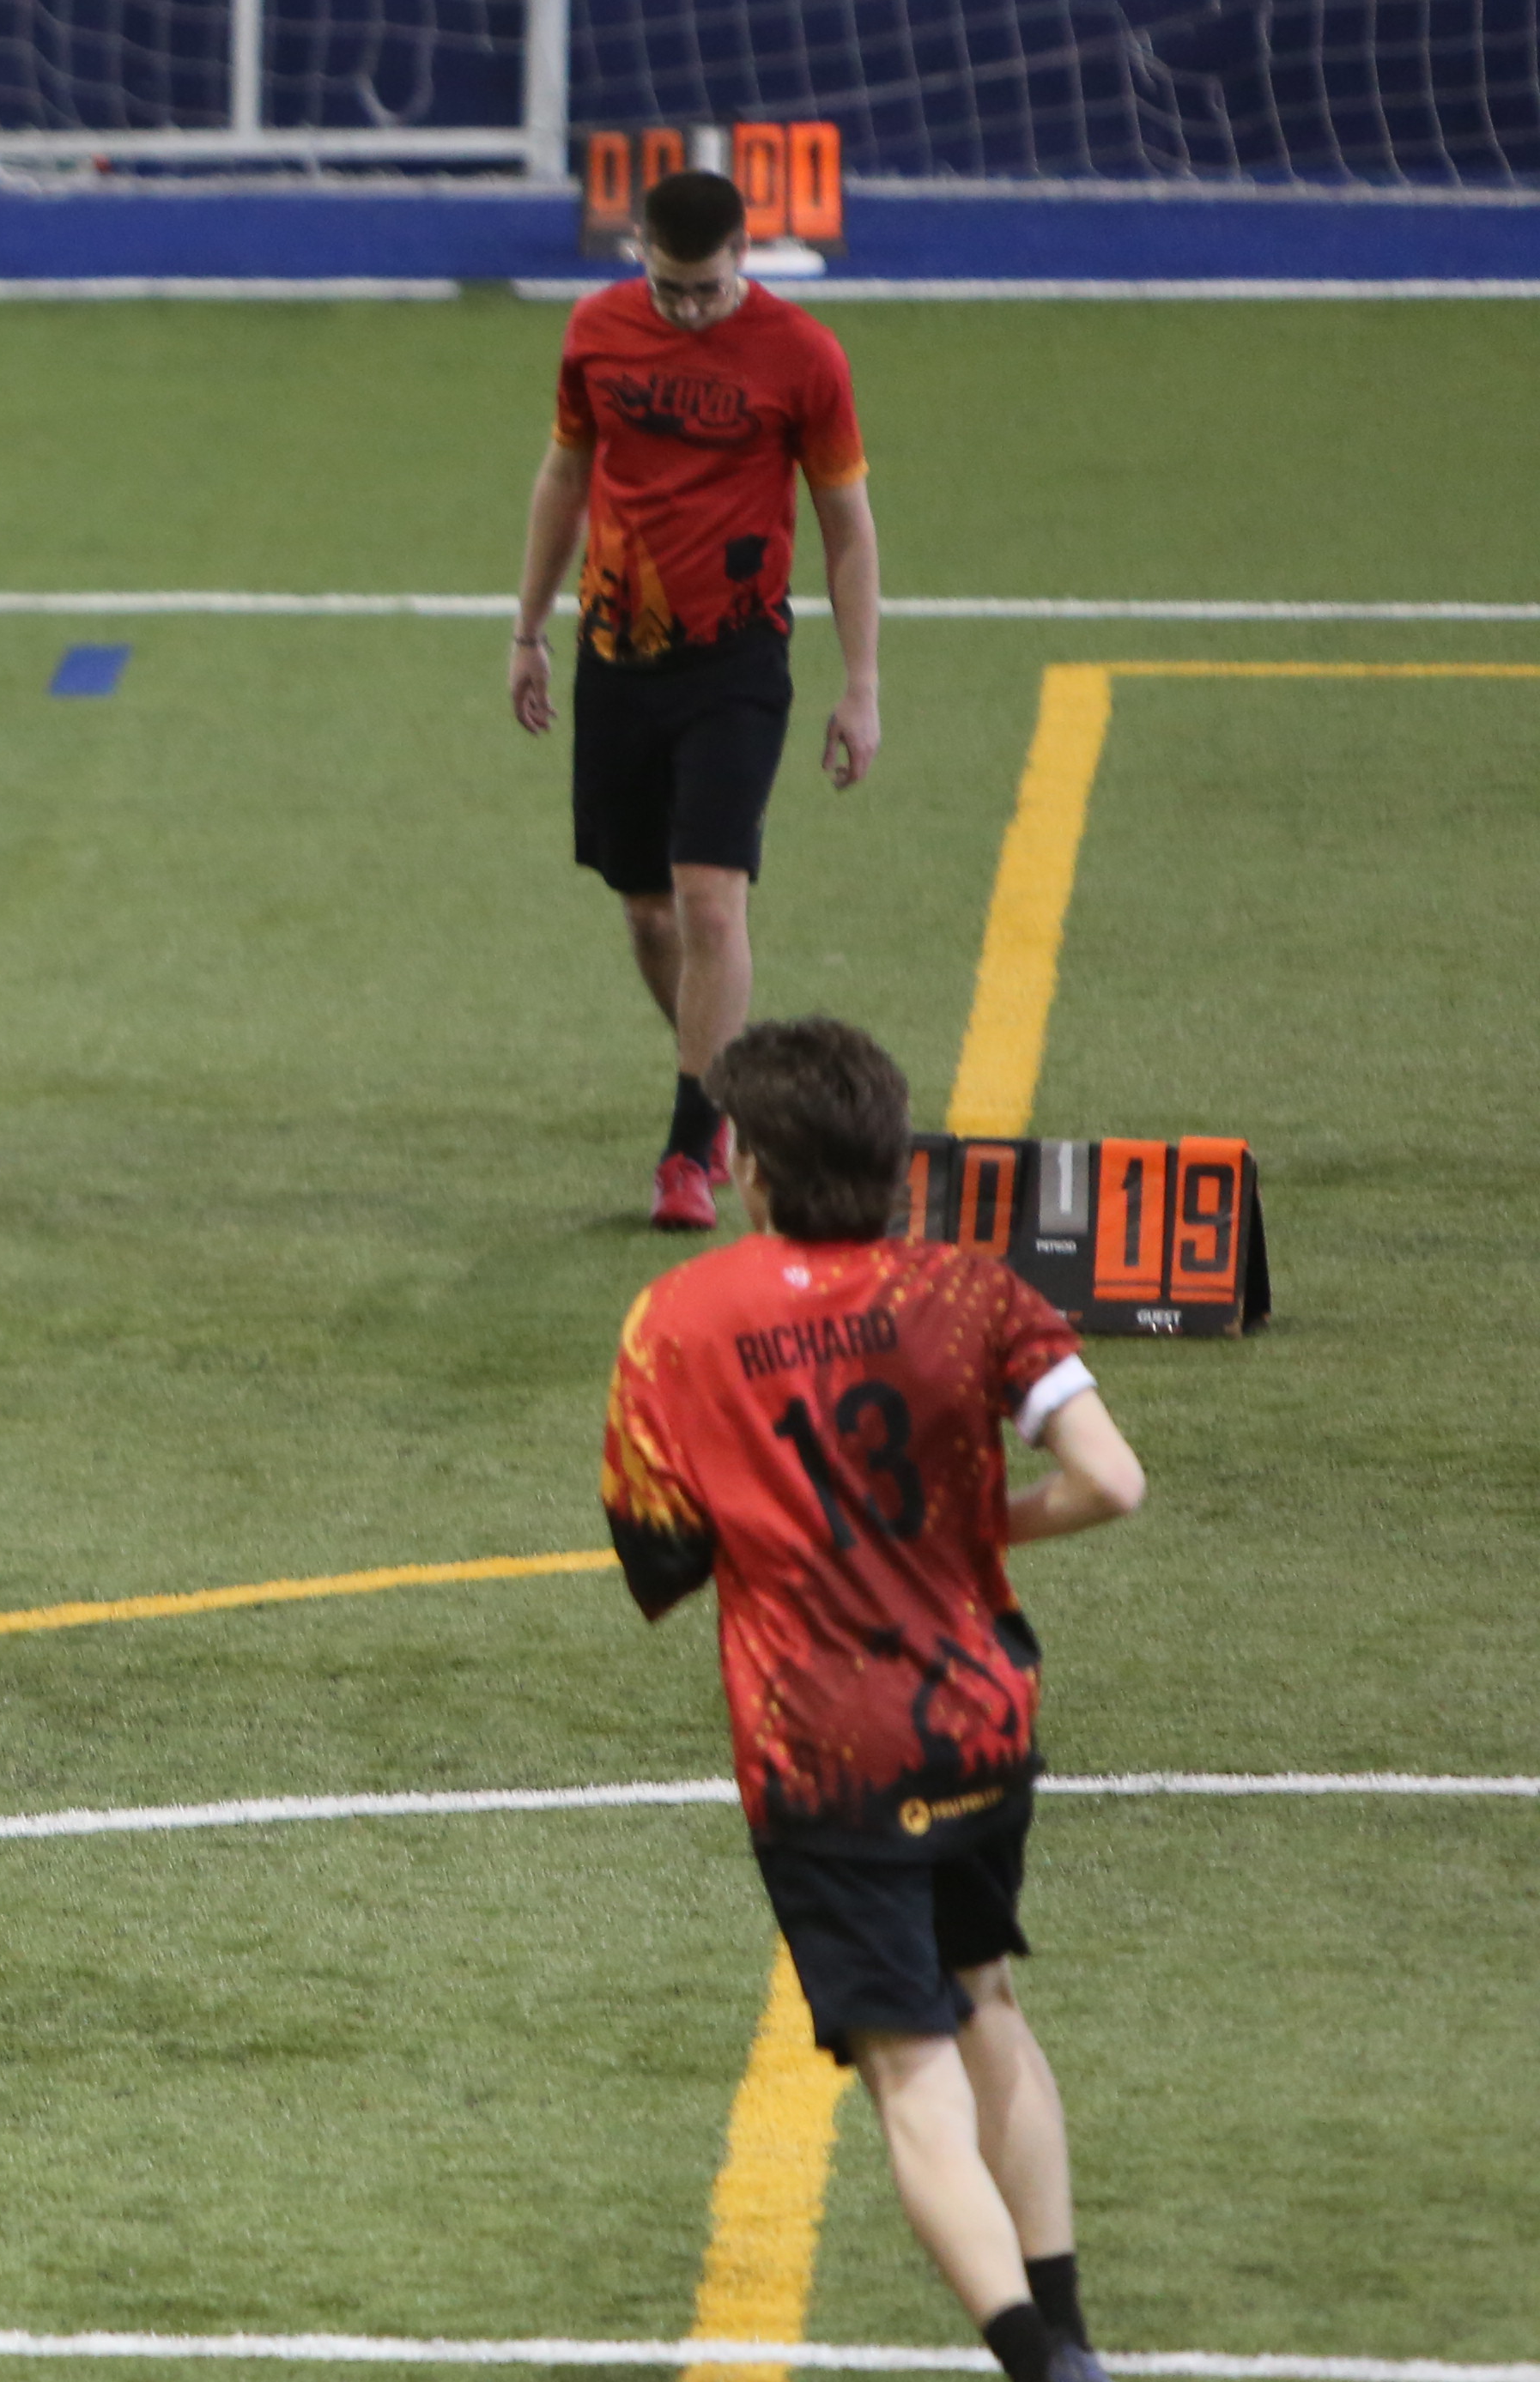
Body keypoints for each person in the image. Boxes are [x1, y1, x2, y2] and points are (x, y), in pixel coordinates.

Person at [603, 1014, 1142, 2382]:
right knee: (988, 2003)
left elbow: (659, 1557)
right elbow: (1111, 1481)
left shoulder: (679, 1320)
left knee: (912, 2072)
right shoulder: (972, 1291)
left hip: (823, 1753)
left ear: (753, 1168)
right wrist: (971, 1528)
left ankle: (1041, 2367)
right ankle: (1073, 2331)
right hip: (980, 1722)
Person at [512, 162, 882, 1231]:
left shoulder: (802, 356)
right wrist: (528, 631)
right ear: (641, 256)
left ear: (744, 257)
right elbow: (565, 477)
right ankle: (717, 1088)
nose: (685, 309)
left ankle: (689, 1145)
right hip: (616, 654)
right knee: (646, 913)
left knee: (712, 899)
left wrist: (860, 685)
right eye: (668, 288)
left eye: (706, 289)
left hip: (736, 661)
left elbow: (847, 528)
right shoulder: (595, 332)